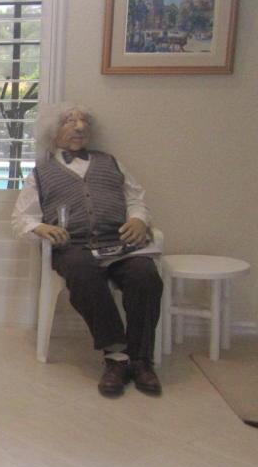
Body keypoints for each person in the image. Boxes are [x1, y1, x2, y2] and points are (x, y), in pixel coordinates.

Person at [12, 103, 163, 397]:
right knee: (82, 273)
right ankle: (116, 355)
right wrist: (39, 228)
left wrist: (138, 219)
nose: (80, 127)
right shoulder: (41, 173)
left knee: (146, 276)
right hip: (74, 247)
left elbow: (136, 199)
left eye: (83, 122)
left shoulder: (111, 162)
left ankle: (141, 359)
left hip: (119, 244)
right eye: (70, 121)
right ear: (54, 131)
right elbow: (22, 218)